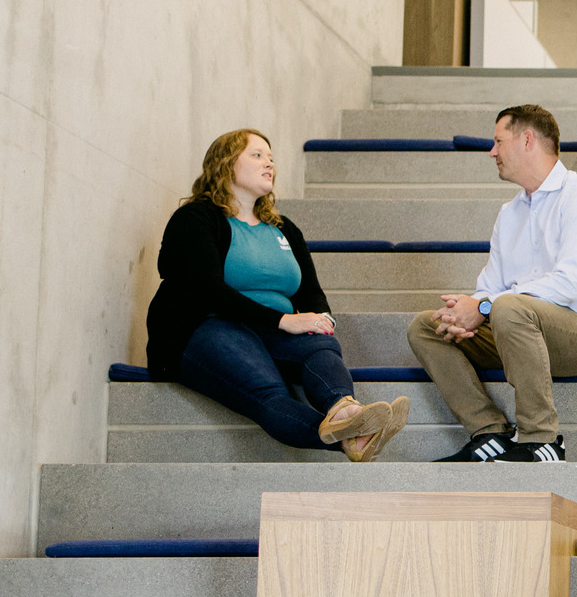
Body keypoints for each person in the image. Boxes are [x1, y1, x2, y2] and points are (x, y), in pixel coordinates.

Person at [145, 129, 406, 461]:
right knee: (270, 392)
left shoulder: (283, 228)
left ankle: (345, 409)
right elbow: (206, 290)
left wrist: (321, 319)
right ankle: (350, 439)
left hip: (270, 331)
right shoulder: (195, 218)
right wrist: (283, 320)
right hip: (208, 327)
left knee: (320, 344)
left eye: (270, 157)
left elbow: (310, 292)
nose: (269, 163)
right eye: (256, 155)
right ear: (225, 164)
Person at [407, 103, 577, 462]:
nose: (491, 152)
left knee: (509, 307)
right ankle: (489, 432)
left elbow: (567, 286)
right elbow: (490, 286)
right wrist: (469, 310)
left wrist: (485, 306)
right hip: (519, 330)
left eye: (498, 141)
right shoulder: (509, 214)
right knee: (427, 326)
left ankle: (542, 439)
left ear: (527, 140)